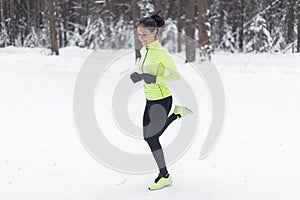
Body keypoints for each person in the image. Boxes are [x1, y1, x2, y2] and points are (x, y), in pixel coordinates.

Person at [130, 10, 193, 190]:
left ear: (154, 32)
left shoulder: (160, 52)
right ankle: (176, 115)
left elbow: (174, 75)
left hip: (162, 99)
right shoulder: (145, 50)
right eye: (139, 34)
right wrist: (140, 76)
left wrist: (153, 79)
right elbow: (150, 71)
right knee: (147, 136)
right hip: (149, 99)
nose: (141, 37)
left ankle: (164, 175)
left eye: (145, 34)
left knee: (151, 138)